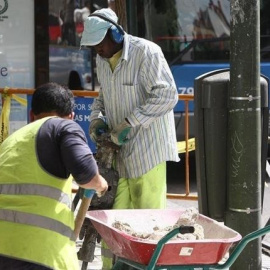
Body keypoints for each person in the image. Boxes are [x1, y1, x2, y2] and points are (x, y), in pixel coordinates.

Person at [80, 8, 180, 269]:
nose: (97, 51)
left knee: (148, 221)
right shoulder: (103, 60)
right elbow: (102, 98)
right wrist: (97, 119)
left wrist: (130, 123)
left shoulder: (146, 53)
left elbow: (167, 96)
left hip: (148, 151)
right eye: (93, 47)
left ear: (115, 33)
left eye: (99, 45)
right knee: (114, 222)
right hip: (119, 153)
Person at [0, 82, 108, 270]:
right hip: (37, 253)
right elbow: (87, 175)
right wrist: (100, 184)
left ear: (31, 115)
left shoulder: (10, 142)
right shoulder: (64, 127)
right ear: (71, 117)